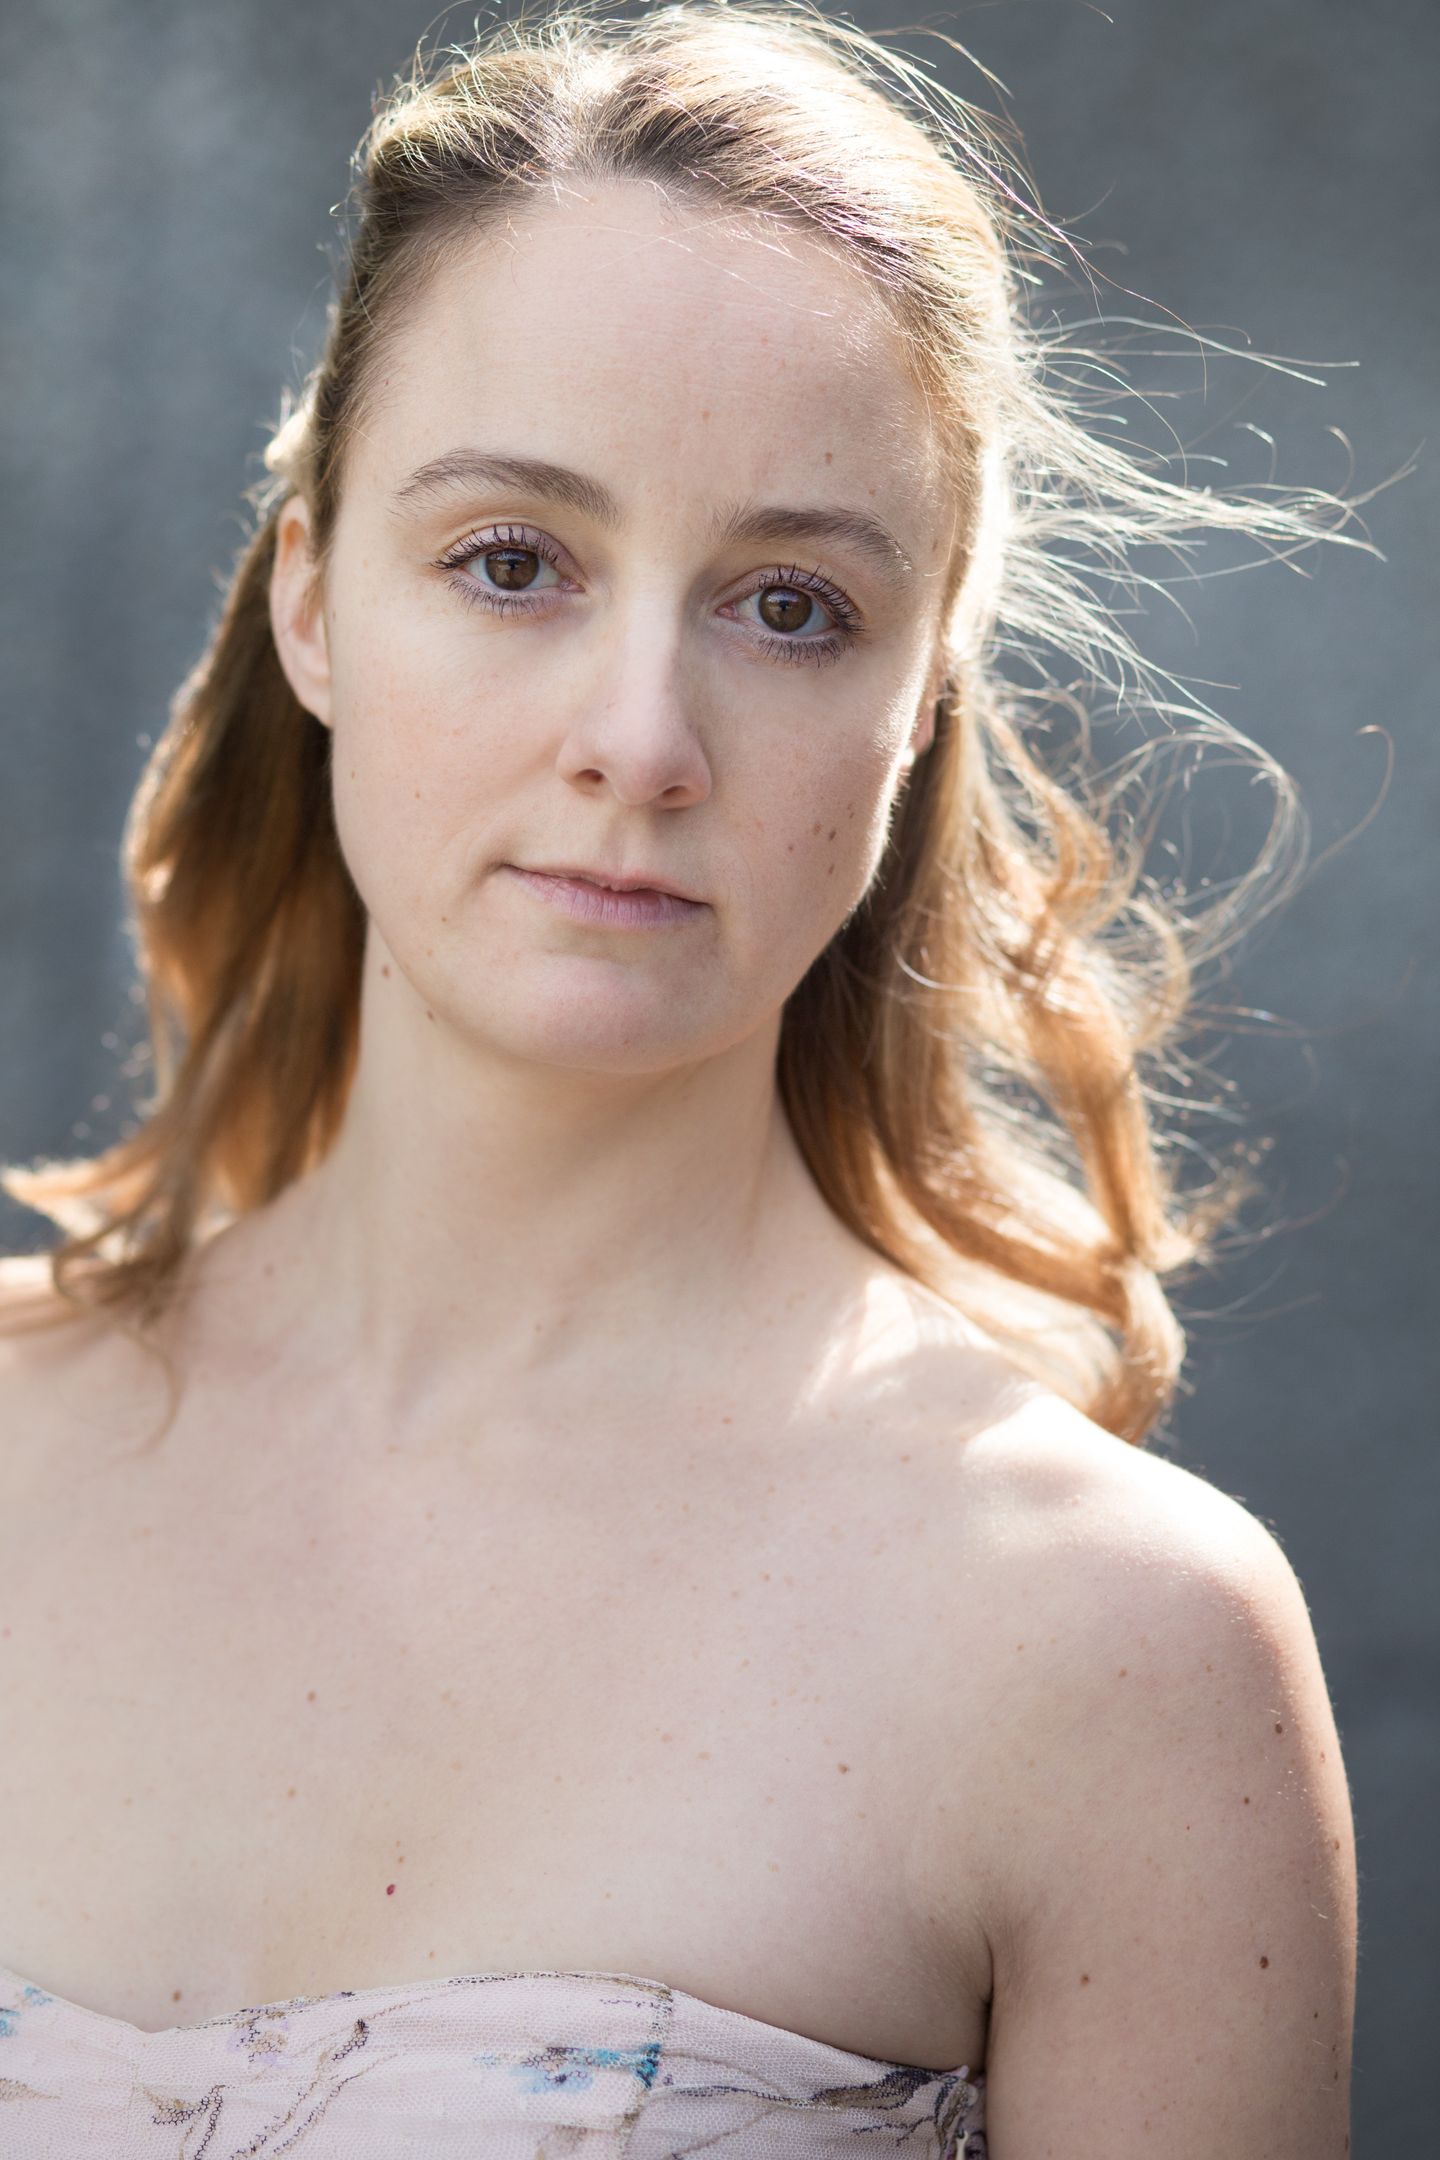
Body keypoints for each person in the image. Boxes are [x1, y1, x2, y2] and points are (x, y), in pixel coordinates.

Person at [0, 3, 1360, 2152]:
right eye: (512, 562)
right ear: (313, 604)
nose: (640, 739)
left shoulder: (1114, 1648)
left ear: (925, 696)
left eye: (791, 607)